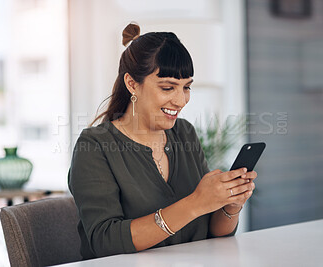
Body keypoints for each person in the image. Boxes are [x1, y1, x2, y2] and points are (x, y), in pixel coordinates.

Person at [68, 23, 257, 259]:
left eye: (186, 87)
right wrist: (196, 203)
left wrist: (230, 204)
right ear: (132, 84)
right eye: (168, 87)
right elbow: (105, 242)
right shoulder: (95, 147)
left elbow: (213, 234)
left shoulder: (184, 133)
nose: (181, 100)